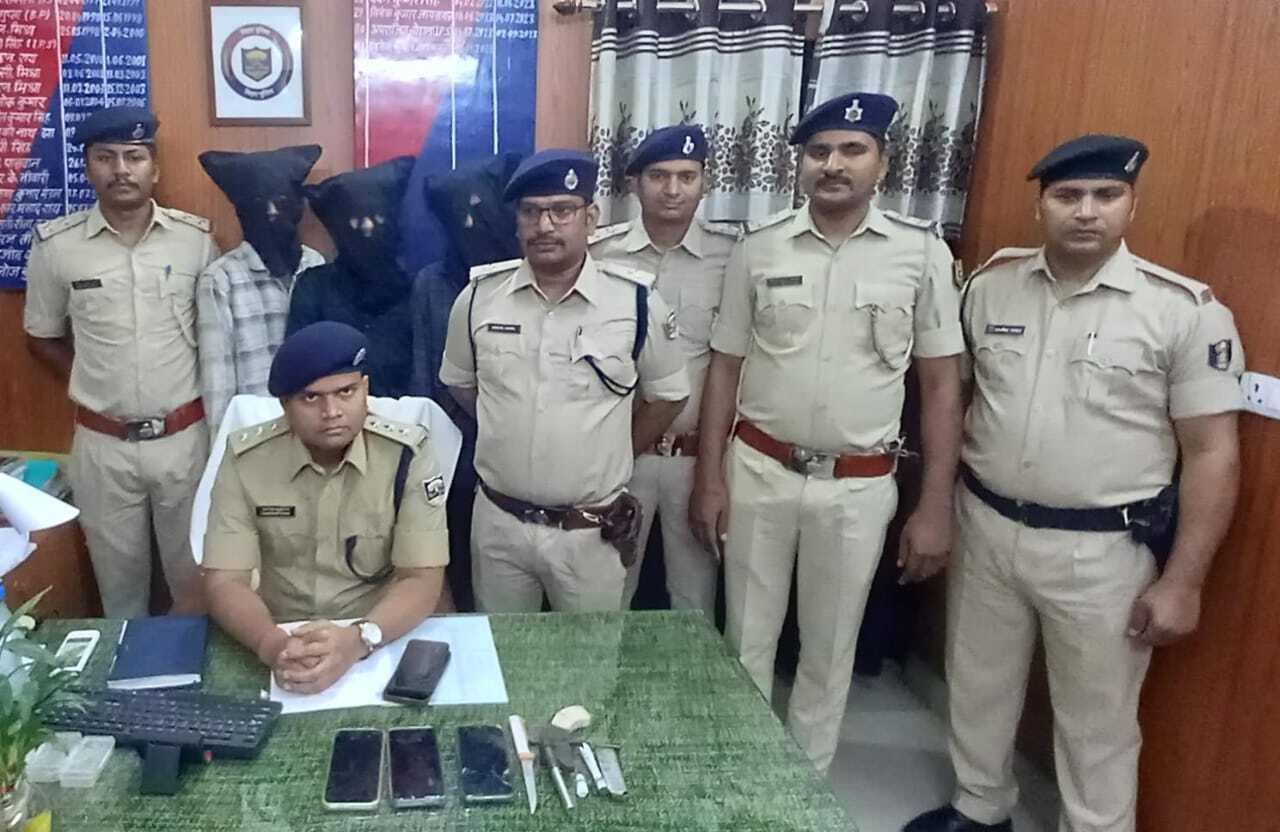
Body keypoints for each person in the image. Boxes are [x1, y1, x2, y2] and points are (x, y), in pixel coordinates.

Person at [904, 136, 1244, 832]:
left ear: (1131, 206)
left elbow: (1213, 453)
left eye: (1105, 195)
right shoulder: (991, 287)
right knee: (978, 685)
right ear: (1041, 207)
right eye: (1067, 196)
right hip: (987, 523)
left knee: (1098, 721)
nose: (1086, 211)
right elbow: (953, 397)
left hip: (1103, 550)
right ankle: (979, 806)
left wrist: (1184, 581)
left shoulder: (1183, 311)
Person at [690, 92, 965, 773]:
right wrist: (709, 478)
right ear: (800, 165)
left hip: (858, 485)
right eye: (818, 152)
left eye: (851, 150)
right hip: (760, 469)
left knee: (829, 646)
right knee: (745, 637)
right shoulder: (759, 249)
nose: (833, 165)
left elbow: (941, 385)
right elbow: (724, 368)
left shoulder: (921, 254)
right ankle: (743, 771)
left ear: (883, 163)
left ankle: (805, 782)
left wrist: (936, 503)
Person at [440, 149, 690, 612]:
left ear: (590, 218)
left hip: (590, 531)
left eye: (562, 210)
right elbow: (463, 385)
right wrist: (511, 429)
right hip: (499, 524)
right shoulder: (477, 299)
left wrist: (614, 449)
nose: (545, 225)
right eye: (531, 212)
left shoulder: (636, 304)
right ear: (517, 222)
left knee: (589, 655)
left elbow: (669, 396)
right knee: (503, 650)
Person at [23, 106, 218, 617]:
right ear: (89, 167)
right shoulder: (57, 247)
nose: (121, 170)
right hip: (102, 445)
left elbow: (216, 337)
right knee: (120, 590)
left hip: (184, 440)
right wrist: (96, 385)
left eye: (134, 157)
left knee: (195, 584)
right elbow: (41, 337)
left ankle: (187, 669)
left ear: (155, 167)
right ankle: (124, 671)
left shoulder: (195, 242)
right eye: (105, 157)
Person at [202, 322, 450, 695]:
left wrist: (359, 639)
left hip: (379, 631)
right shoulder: (246, 460)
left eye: (346, 392)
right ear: (285, 405)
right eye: (311, 398)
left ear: (365, 389)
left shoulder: (406, 456)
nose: (331, 411)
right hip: (279, 631)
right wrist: (273, 646)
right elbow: (225, 580)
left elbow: (421, 578)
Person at [589, 124, 739, 615]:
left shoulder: (732, 256)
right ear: (634, 183)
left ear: (705, 182)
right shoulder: (601, 254)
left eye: (686, 176)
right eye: (658, 176)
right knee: (607, 589)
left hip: (696, 459)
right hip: (620, 454)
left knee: (694, 598)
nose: (672, 189)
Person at [196, 144, 328, 434]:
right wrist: (224, 449)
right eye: (258, 203)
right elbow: (218, 383)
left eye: (281, 201)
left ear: (297, 206)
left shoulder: (315, 265)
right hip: (256, 436)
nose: (271, 212)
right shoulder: (221, 279)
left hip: (317, 431)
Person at [287, 156, 418, 398]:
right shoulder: (314, 287)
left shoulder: (416, 289)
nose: (367, 228)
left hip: (405, 415)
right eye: (355, 221)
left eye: (378, 218)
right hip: (332, 414)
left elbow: (427, 372)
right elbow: (299, 368)